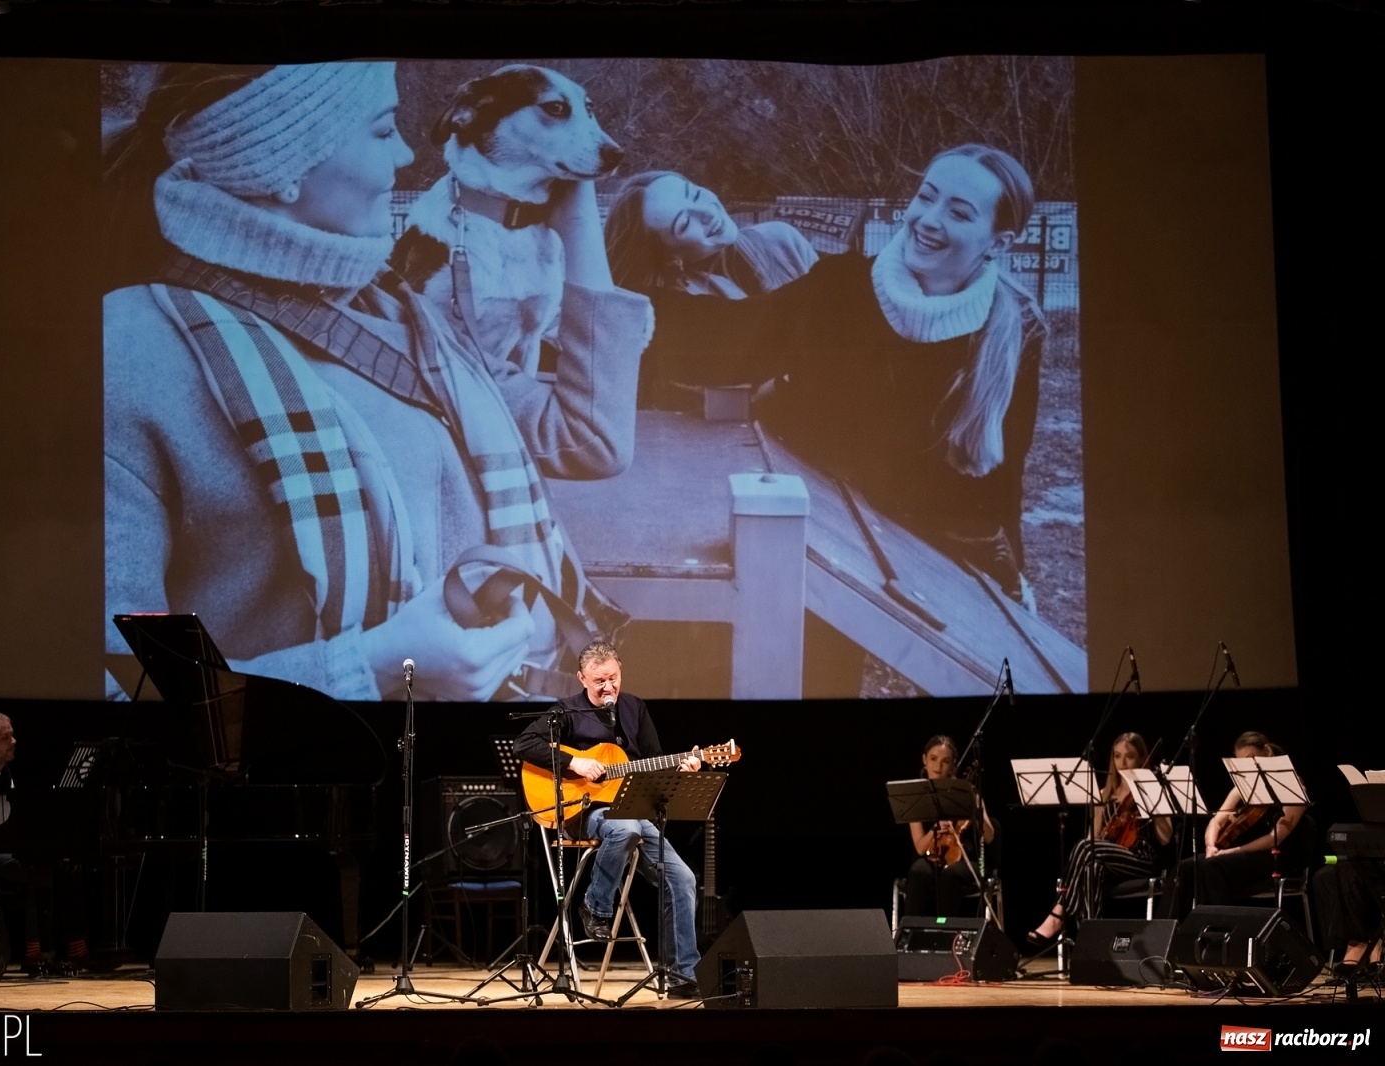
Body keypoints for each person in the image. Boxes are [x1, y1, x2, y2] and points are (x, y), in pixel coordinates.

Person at [103, 63, 652, 703]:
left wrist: (576, 209)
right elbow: (119, 691)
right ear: (276, 165)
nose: (408, 151)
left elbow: (589, 438)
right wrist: (374, 667)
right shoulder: (131, 349)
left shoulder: (403, 317)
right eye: (383, 129)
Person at [641, 144, 1047, 606]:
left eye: (958, 212)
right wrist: (601, 301)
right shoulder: (840, 287)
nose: (929, 219)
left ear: (999, 241)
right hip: (833, 542)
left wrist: (1012, 580)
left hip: (936, 559)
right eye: (925, 197)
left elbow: (1000, 480)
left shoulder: (1018, 329)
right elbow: (725, 341)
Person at [511, 640, 703, 997]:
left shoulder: (634, 708)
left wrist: (683, 767)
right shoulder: (566, 713)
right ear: (582, 678)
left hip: (630, 808)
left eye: (613, 678)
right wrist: (575, 763)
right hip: (584, 810)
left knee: (684, 879)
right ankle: (596, 906)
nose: (608, 687)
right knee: (625, 828)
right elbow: (523, 745)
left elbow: (654, 761)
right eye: (599, 680)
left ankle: (683, 975)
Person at [0, 713, 86, 973]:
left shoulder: (4, 776)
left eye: (12, 735)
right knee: (32, 869)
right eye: (5, 737)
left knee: (67, 866)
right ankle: (34, 952)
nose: (14, 741)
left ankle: (76, 948)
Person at [1025, 733, 1174, 945]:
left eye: (1129, 756)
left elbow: (1166, 838)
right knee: (1090, 868)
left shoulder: (1151, 789)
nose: (1122, 763)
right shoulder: (1104, 794)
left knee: (1087, 850)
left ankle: (1059, 910)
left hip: (1140, 860)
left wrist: (1151, 800)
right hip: (1107, 859)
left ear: (1141, 759)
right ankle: (1092, 942)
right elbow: (1092, 839)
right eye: (1117, 756)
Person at [605, 170, 817, 299]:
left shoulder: (782, 240)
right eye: (684, 223)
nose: (706, 212)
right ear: (669, 258)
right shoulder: (681, 306)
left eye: (696, 194)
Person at [1169, 731, 1315, 915]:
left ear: (1267, 751)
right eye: (1242, 762)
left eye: (1251, 758)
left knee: (1211, 868)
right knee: (1184, 868)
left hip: (1275, 857)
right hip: (1243, 856)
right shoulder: (1242, 786)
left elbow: (1273, 839)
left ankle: (1217, 931)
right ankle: (1171, 935)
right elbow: (1217, 820)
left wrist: (1231, 851)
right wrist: (1210, 847)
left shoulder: (1294, 785)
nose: (1248, 766)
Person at [903, 735, 996, 917]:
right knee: (917, 871)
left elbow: (990, 836)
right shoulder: (916, 797)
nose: (938, 767)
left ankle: (946, 931)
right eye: (933, 759)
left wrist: (975, 810)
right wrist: (934, 829)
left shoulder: (966, 792)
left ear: (953, 764)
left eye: (945, 761)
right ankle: (910, 935)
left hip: (966, 863)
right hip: (932, 860)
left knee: (950, 875)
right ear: (924, 759)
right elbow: (921, 848)